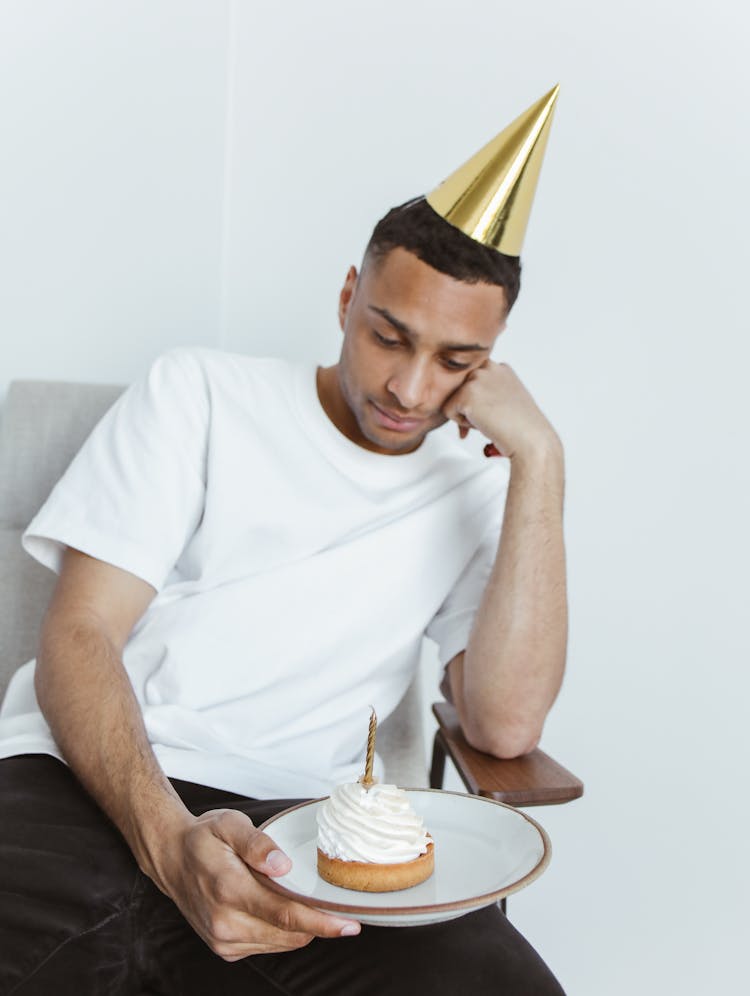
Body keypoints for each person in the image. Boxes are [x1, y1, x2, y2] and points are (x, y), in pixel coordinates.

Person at [0, 90, 568, 994]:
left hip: (309, 828)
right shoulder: (198, 394)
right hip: (96, 784)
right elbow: (78, 636)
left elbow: (505, 724)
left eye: (456, 362)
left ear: (491, 360)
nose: (412, 390)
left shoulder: (480, 482)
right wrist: (168, 843)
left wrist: (540, 461)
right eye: (389, 336)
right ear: (350, 297)